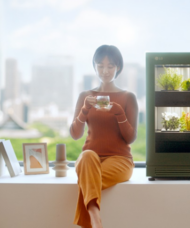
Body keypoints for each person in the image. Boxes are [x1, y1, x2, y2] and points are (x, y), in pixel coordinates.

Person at [70, 45, 138, 228]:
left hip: (120, 160)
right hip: (89, 160)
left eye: (110, 66)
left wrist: (119, 114)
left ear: (118, 68)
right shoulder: (85, 96)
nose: (105, 71)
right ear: (94, 66)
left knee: (88, 180)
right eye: (100, 66)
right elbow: (75, 134)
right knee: (87, 155)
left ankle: (93, 219)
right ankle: (96, 220)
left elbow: (130, 138)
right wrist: (85, 109)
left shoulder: (128, 97)